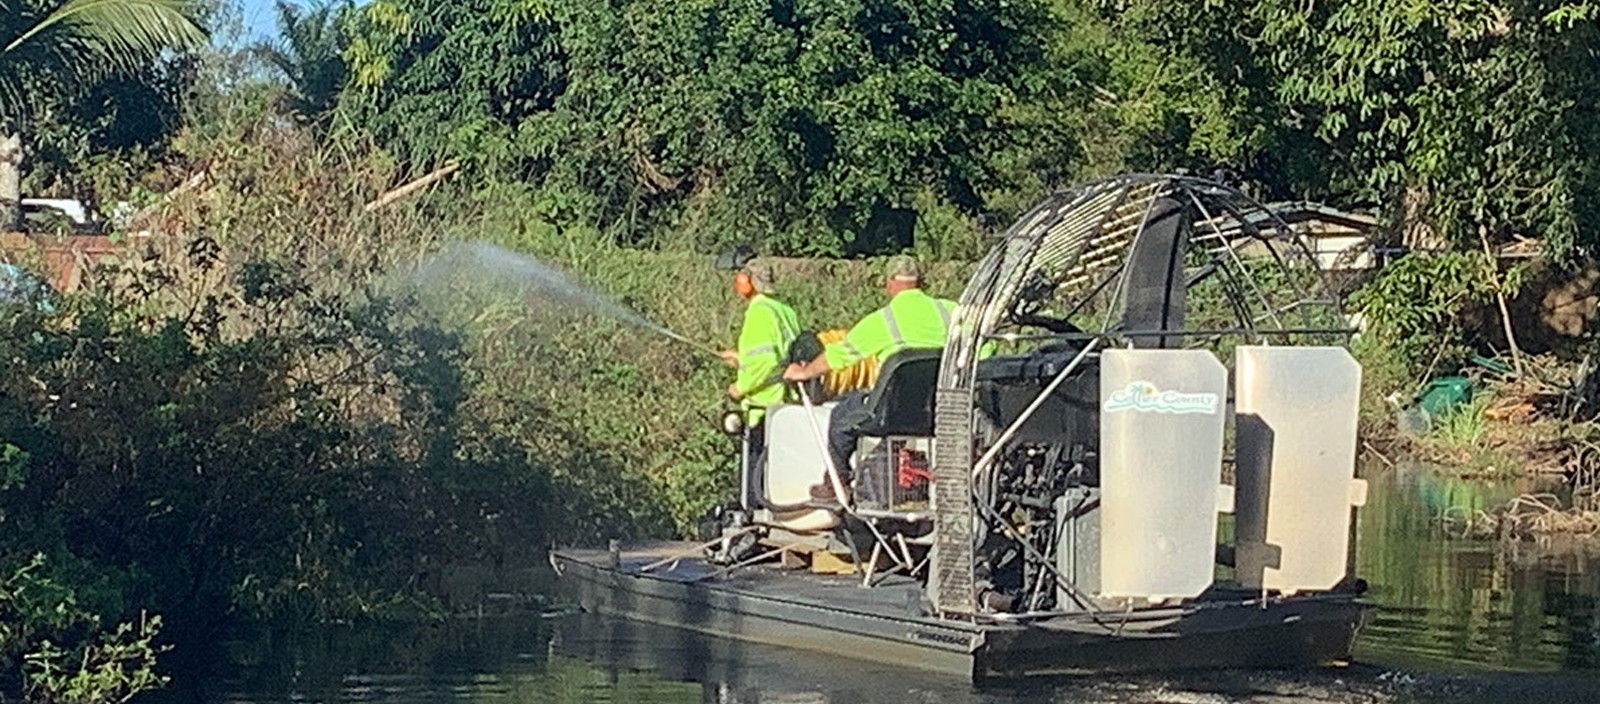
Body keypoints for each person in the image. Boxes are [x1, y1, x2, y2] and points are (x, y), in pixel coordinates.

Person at [783, 254, 955, 501]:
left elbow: (840, 354)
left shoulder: (884, 320)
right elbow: (984, 347)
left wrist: (804, 371)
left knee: (842, 415)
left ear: (889, 284)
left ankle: (836, 485)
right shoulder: (951, 311)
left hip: (893, 411)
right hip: (941, 410)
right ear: (921, 282)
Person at [719, 260, 801, 490]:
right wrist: (739, 358)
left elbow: (764, 362)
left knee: (756, 484)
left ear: (746, 283)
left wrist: (739, 387)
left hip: (763, 409)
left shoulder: (759, 312)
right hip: (788, 406)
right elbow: (778, 355)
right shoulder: (785, 311)